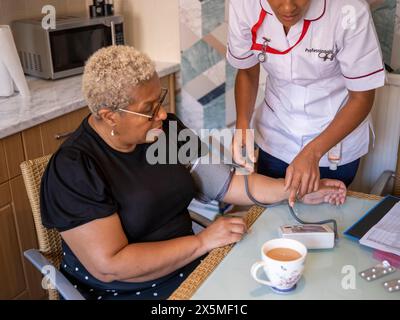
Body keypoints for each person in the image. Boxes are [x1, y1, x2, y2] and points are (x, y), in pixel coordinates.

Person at [40, 45, 346, 300]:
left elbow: (228, 184)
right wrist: (202, 242)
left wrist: (294, 189)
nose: (161, 113)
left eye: (158, 99)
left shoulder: (166, 132)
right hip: (127, 289)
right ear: (110, 116)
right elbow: (111, 265)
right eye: (149, 109)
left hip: (187, 264)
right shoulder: (75, 169)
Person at [228, 0, 385, 206]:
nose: (288, 8)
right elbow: (247, 69)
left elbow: (362, 97)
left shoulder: (349, 9)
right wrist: (242, 125)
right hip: (276, 135)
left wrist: (313, 152)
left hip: (335, 141)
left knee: (323, 218)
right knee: (274, 213)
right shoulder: (244, 5)